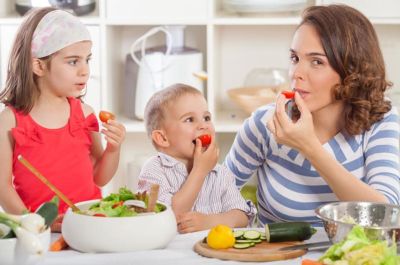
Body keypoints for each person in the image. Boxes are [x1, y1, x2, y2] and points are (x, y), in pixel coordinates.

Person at [225, 4, 400, 226]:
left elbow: (385, 216)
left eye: (317, 62)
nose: (296, 73)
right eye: (295, 58)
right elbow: (215, 198)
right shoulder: (265, 124)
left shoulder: (380, 122)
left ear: (352, 71)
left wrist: (310, 148)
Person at [0, 7, 126, 230]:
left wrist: (114, 150)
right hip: (40, 233)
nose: (85, 71)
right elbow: (3, 188)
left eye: (87, 59)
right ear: (39, 65)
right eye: (73, 61)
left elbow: (100, 178)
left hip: (87, 225)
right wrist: (35, 224)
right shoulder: (10, 121)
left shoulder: (85, 114)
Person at [138, 83, 256, 233]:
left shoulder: (219, 173)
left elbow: (242, 216)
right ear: (162, 138)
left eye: (206, 118)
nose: (203, 125)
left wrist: (209, 221)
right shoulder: (154, 170)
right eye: (189, 119)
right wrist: (199, 171)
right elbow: (168, 217)